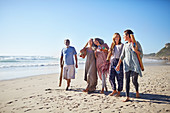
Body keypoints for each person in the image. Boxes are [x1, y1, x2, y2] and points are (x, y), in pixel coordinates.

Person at [115, 29, 143, 102]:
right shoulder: (125, 45)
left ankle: (137, 91)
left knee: (134, 80)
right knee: (127, 81)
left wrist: (135, 50)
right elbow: (122, 55)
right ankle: (127, 96)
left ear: (128, 35)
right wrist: (118, 64)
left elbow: (141, 53)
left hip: (135, 65)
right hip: (127, 65)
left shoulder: (136, 43)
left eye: (124, 35)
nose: (123, 37)